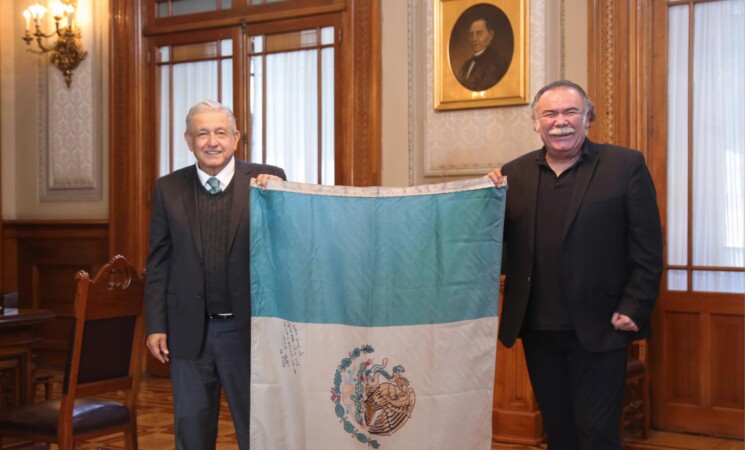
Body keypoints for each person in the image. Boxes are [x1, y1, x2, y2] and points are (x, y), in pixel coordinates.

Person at [488, 80, 663, 449]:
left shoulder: (624, 165)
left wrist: (636, 305)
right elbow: (492, 246)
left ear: (588, 117)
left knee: (597, 435)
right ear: (536, 122)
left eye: (570, 112)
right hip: (537, 330)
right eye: (549, 113)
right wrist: (485, 200)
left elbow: (647, 246)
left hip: (603, 328)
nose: (560, 121)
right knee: (559, 432)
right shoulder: (513, 175)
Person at [144, 100, 286, 450]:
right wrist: (155, 325)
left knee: (256, 432)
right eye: (202, 133)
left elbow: (288, 245)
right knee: (191, 434)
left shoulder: (267, 180)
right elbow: (159, 262)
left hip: (248, 332)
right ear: (188, 140)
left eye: (220, 132)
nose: (212, 141)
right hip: (188, 333)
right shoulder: (168, 188)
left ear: (236, 138)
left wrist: (279, 196)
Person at [456, 17, 511, 92]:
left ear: (491, 35)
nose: (474, 39)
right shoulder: (466, 65)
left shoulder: (498, 62)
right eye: (471, 34)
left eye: (479, 33)